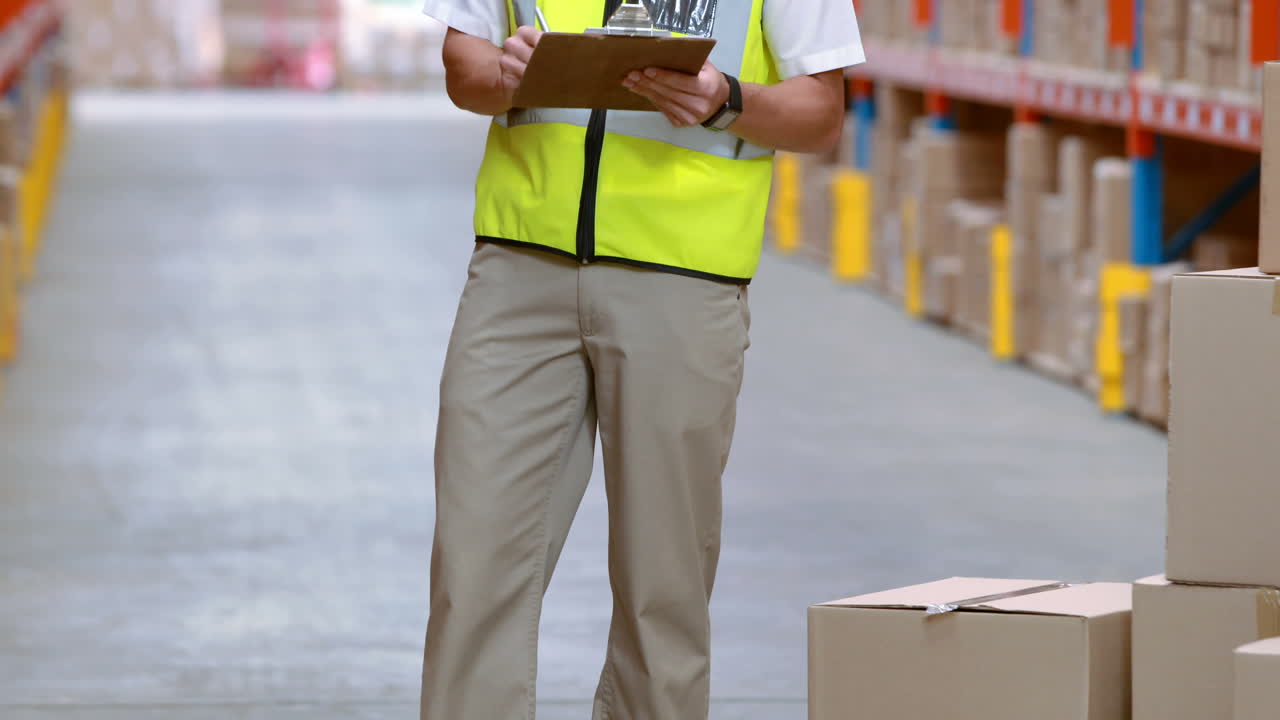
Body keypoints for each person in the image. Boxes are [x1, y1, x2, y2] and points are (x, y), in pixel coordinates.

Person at [418, 1, 864, 718]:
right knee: (473, 565)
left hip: (684, 278)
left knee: (665, 584)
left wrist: (727, 102)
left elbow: (820, 111)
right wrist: (505, 78)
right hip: (518, 267)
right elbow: (462, 64)